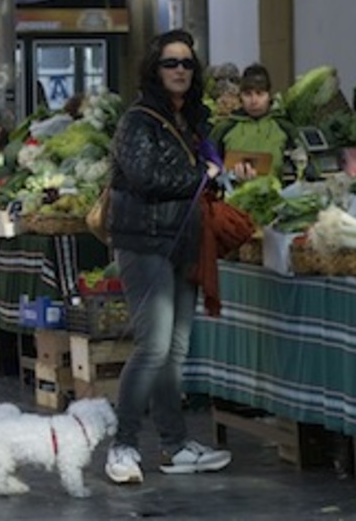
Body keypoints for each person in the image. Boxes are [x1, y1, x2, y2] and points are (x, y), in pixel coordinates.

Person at [104, 30, 230, 484]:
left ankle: (175, 445)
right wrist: (202, 173)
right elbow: (144, 176)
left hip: (182, 241)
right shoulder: (139, 120)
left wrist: (218, 172)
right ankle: (122, 446)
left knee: (174, 351)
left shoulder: (192, 121)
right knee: (153, 347)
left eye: (187, 64)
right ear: (154, 70)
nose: (180, 70)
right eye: (170, 63)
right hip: (144, 243)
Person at [210, 64, 302, 180]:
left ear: (269, 95)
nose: (254, 101)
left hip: (276, 191)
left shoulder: (285, 128)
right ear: (240, 96)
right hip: (233, 190)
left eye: (260, 93)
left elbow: (304, 168)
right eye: (248, 94)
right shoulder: (224, 129)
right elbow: (208, 166)